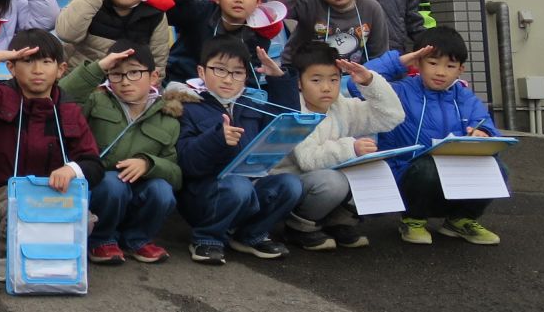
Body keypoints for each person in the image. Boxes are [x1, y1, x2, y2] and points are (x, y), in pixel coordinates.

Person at [0, 30, 103, 283]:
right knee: (19, 213)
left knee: (85, 219)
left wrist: (71, 169)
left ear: (61, 70)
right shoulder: (1, 97)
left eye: (46, 62)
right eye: (27, 62)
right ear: (12, 68)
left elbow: (94, 164)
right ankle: (2, 250)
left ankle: (48, 255)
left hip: (50, 191)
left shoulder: (68, 110)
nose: (37, 70)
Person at [171, 38, 302, 265]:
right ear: (201, 71)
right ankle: (207, 237)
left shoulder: (250, 103)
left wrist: (279, 80)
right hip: (203, 195)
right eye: (220, 70)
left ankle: (250, 235)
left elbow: (285, 121)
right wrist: (216, 139)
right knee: (238, 186)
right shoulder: (186, 106)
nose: (228, 79)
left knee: (290, 184)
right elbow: (185, 162)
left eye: (237, 73)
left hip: (247, 188)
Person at [371, 29, 505, 246]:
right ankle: (413, 219)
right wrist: (400, 62)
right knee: (426, 168)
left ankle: (460, 220)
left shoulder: (465, 97)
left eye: (450, 66)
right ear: (418, 63)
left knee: (498, 168)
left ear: (460, 70)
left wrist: (484, 133)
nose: (441, 72)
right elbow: (358, 83)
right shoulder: (400, 91)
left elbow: (484, 123)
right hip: (408, 175)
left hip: (453, 173)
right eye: (433, 63)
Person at [59, 42, 182, 265]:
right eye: (116, 74)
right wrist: (98, 67)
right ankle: (101, 240)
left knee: (162, 190)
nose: (125, 81)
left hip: (138, 192)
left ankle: (138, 240)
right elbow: (62, 95)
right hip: (100, 188)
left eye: (134, 72)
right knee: (113, 183)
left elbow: (175, 173)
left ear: (154, 76)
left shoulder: (168, 117)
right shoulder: (96, 100)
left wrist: (149, 164)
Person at [272, 42, 404, 251]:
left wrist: (370, 82)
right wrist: (351, 148)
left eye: (333, 80)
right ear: (299, 82)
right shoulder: (295, 110)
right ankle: (300, 226)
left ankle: (338, 222)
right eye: (316, 80)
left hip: (322, 177)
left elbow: (392, 117)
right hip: (290, 182)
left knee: (377, 170)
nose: (326, 87)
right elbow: (307, 159)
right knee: (333, 182)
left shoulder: (340, 106)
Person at [163, 0, 272, 85]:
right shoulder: (202, 11)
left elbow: (249, 80)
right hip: (179, 85)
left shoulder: (258, 35)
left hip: (225, 92)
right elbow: (161, 4)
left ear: (258, 1)